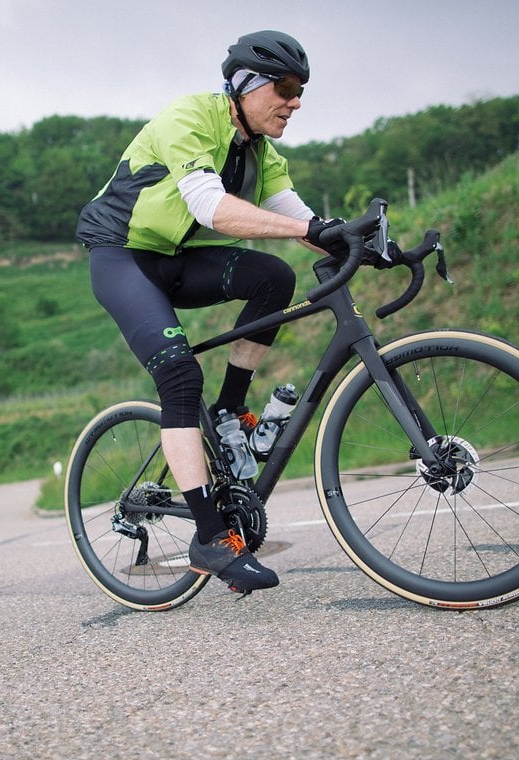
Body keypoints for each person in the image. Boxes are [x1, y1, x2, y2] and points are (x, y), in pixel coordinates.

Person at [75, 30, 345, 595]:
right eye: (287, 88)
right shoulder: (189, 117)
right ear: (245, 86)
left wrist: (362, 245)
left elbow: (298, 215)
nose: (295, 101)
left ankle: (227, 410)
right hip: (123, 257)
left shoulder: (261, 152)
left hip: (179, 259)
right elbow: (211, 206)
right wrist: (309, 230)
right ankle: (208, 538)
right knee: (178, 373)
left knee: (274, 277)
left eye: (302, 91)